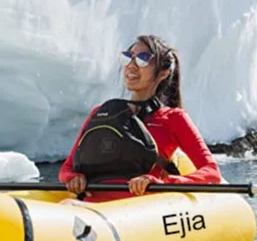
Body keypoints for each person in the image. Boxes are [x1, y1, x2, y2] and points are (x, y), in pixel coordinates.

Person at [59, 35, 221, 204]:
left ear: (163, 73)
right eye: (128, 57)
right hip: (92, 206)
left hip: (138, 213)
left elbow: (211, 172)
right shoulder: (100, 113)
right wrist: (73, 177)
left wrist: (164, 183)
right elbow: (67, 168)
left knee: (68, 206)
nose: (132, 65)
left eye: (143, 59)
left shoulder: (173, 118)